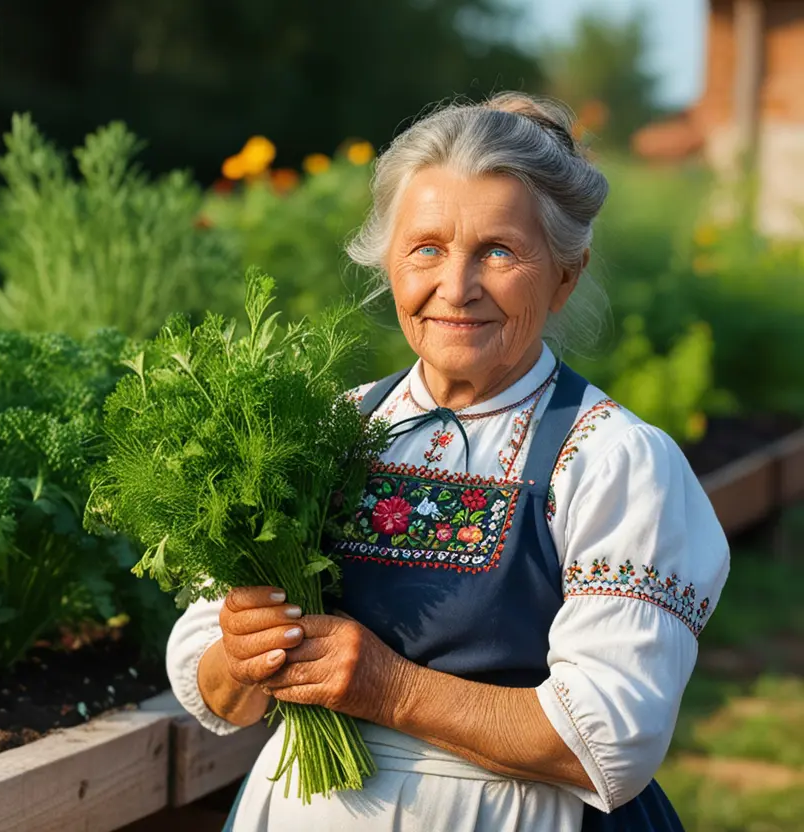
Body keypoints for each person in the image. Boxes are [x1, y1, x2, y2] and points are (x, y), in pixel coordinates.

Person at [167, 92, 729, 831]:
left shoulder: (611, 461)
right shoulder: (321, 431)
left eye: (498, 251)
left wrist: (388, 689)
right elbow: (209, 686)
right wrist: (240, 657)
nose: (455, 288)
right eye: (426, 247)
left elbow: (610, 741)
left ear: (565, 274)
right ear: (390, 263)